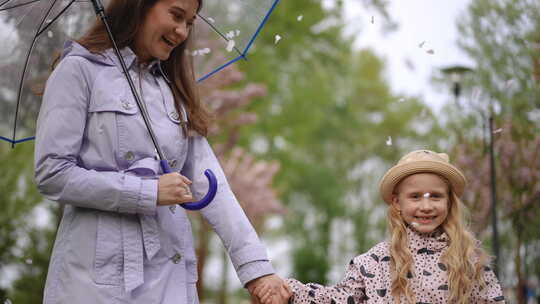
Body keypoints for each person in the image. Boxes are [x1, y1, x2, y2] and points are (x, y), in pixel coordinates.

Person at [34, 0, 290, 302]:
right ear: (140, 6)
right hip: (92, 283)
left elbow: (212, 185)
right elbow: (52, 173)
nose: (182, 31)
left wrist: (256, 270)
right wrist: (146, 192)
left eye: (190, 22)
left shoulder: (173, 90)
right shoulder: (78, 69)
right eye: (176, 15)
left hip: (170, 279)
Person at [254, 150, 505, 303]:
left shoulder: (469, 259)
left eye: (436, 196)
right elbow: (338, 299)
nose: (426, 206)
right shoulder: (374, 262)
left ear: (450, 202)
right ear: (397, 202)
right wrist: (287, 289)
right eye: (415, 196)